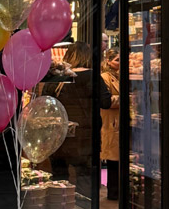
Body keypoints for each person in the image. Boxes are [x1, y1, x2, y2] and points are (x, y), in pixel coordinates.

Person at [46, 41, 111, 198]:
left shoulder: (58, 78)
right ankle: (84, 207)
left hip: (60, 133)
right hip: (86, 135)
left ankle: (61, 205)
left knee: (59, 177)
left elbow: (46, 102)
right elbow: (106, 102)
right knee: (85, 177)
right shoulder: (92, 77)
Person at [100, 48, 120, 200]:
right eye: (117, 60)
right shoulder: (105, 77)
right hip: (111, 123)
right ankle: (113, 192)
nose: (120, 63)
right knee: (113, 158)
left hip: (119, 122)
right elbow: (105, 101)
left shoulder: (123, 75)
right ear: (108, 61)